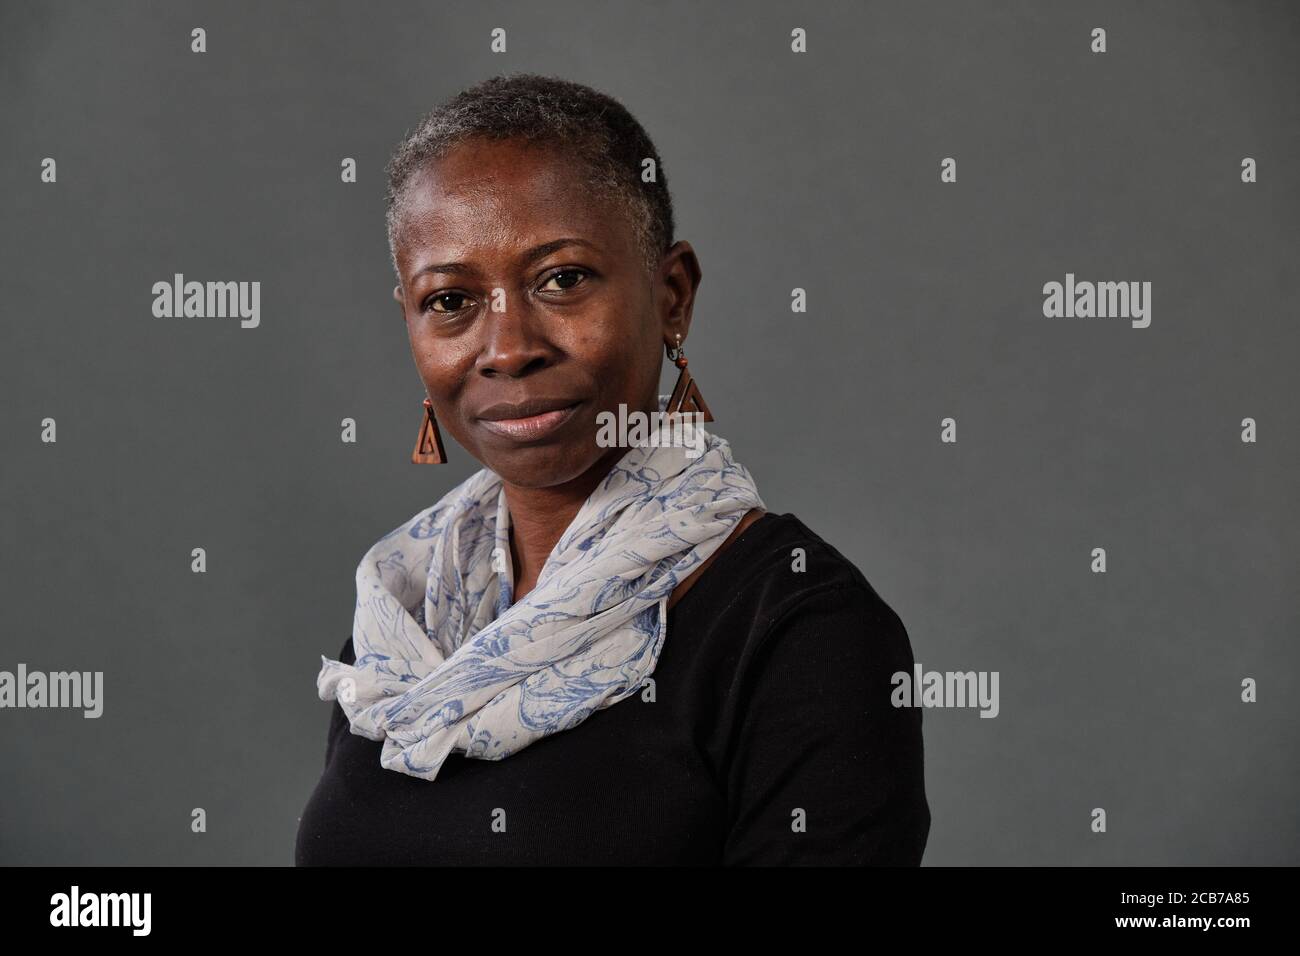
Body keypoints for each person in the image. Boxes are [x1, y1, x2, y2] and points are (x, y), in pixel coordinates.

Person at [294, 73, 930, 866]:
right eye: (450, 300)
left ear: (672, 296)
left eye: (561, 280)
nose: (506, 347)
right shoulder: (397, 622)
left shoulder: (802, 633)